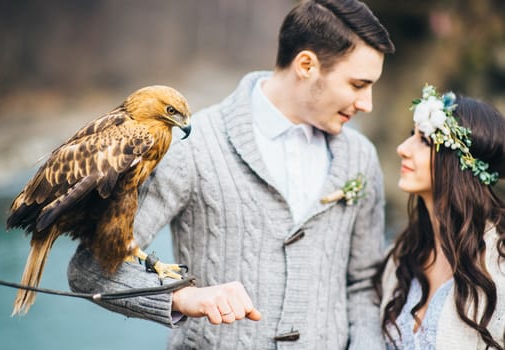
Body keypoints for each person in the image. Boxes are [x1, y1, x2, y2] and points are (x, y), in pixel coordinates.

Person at [68, 0, 395, 348]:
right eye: (358, 85)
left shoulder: (360, 156)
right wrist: (181, 297)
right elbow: (90, 269)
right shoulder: (192, 148)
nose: (367, 104)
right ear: (306, 65)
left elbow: (363, 285)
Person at [375, 84, 505, 349]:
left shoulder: (499, 264)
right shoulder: (402, 256)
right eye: (411, 135)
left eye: (424, 140)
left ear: (459, 162)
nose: (402, 148)